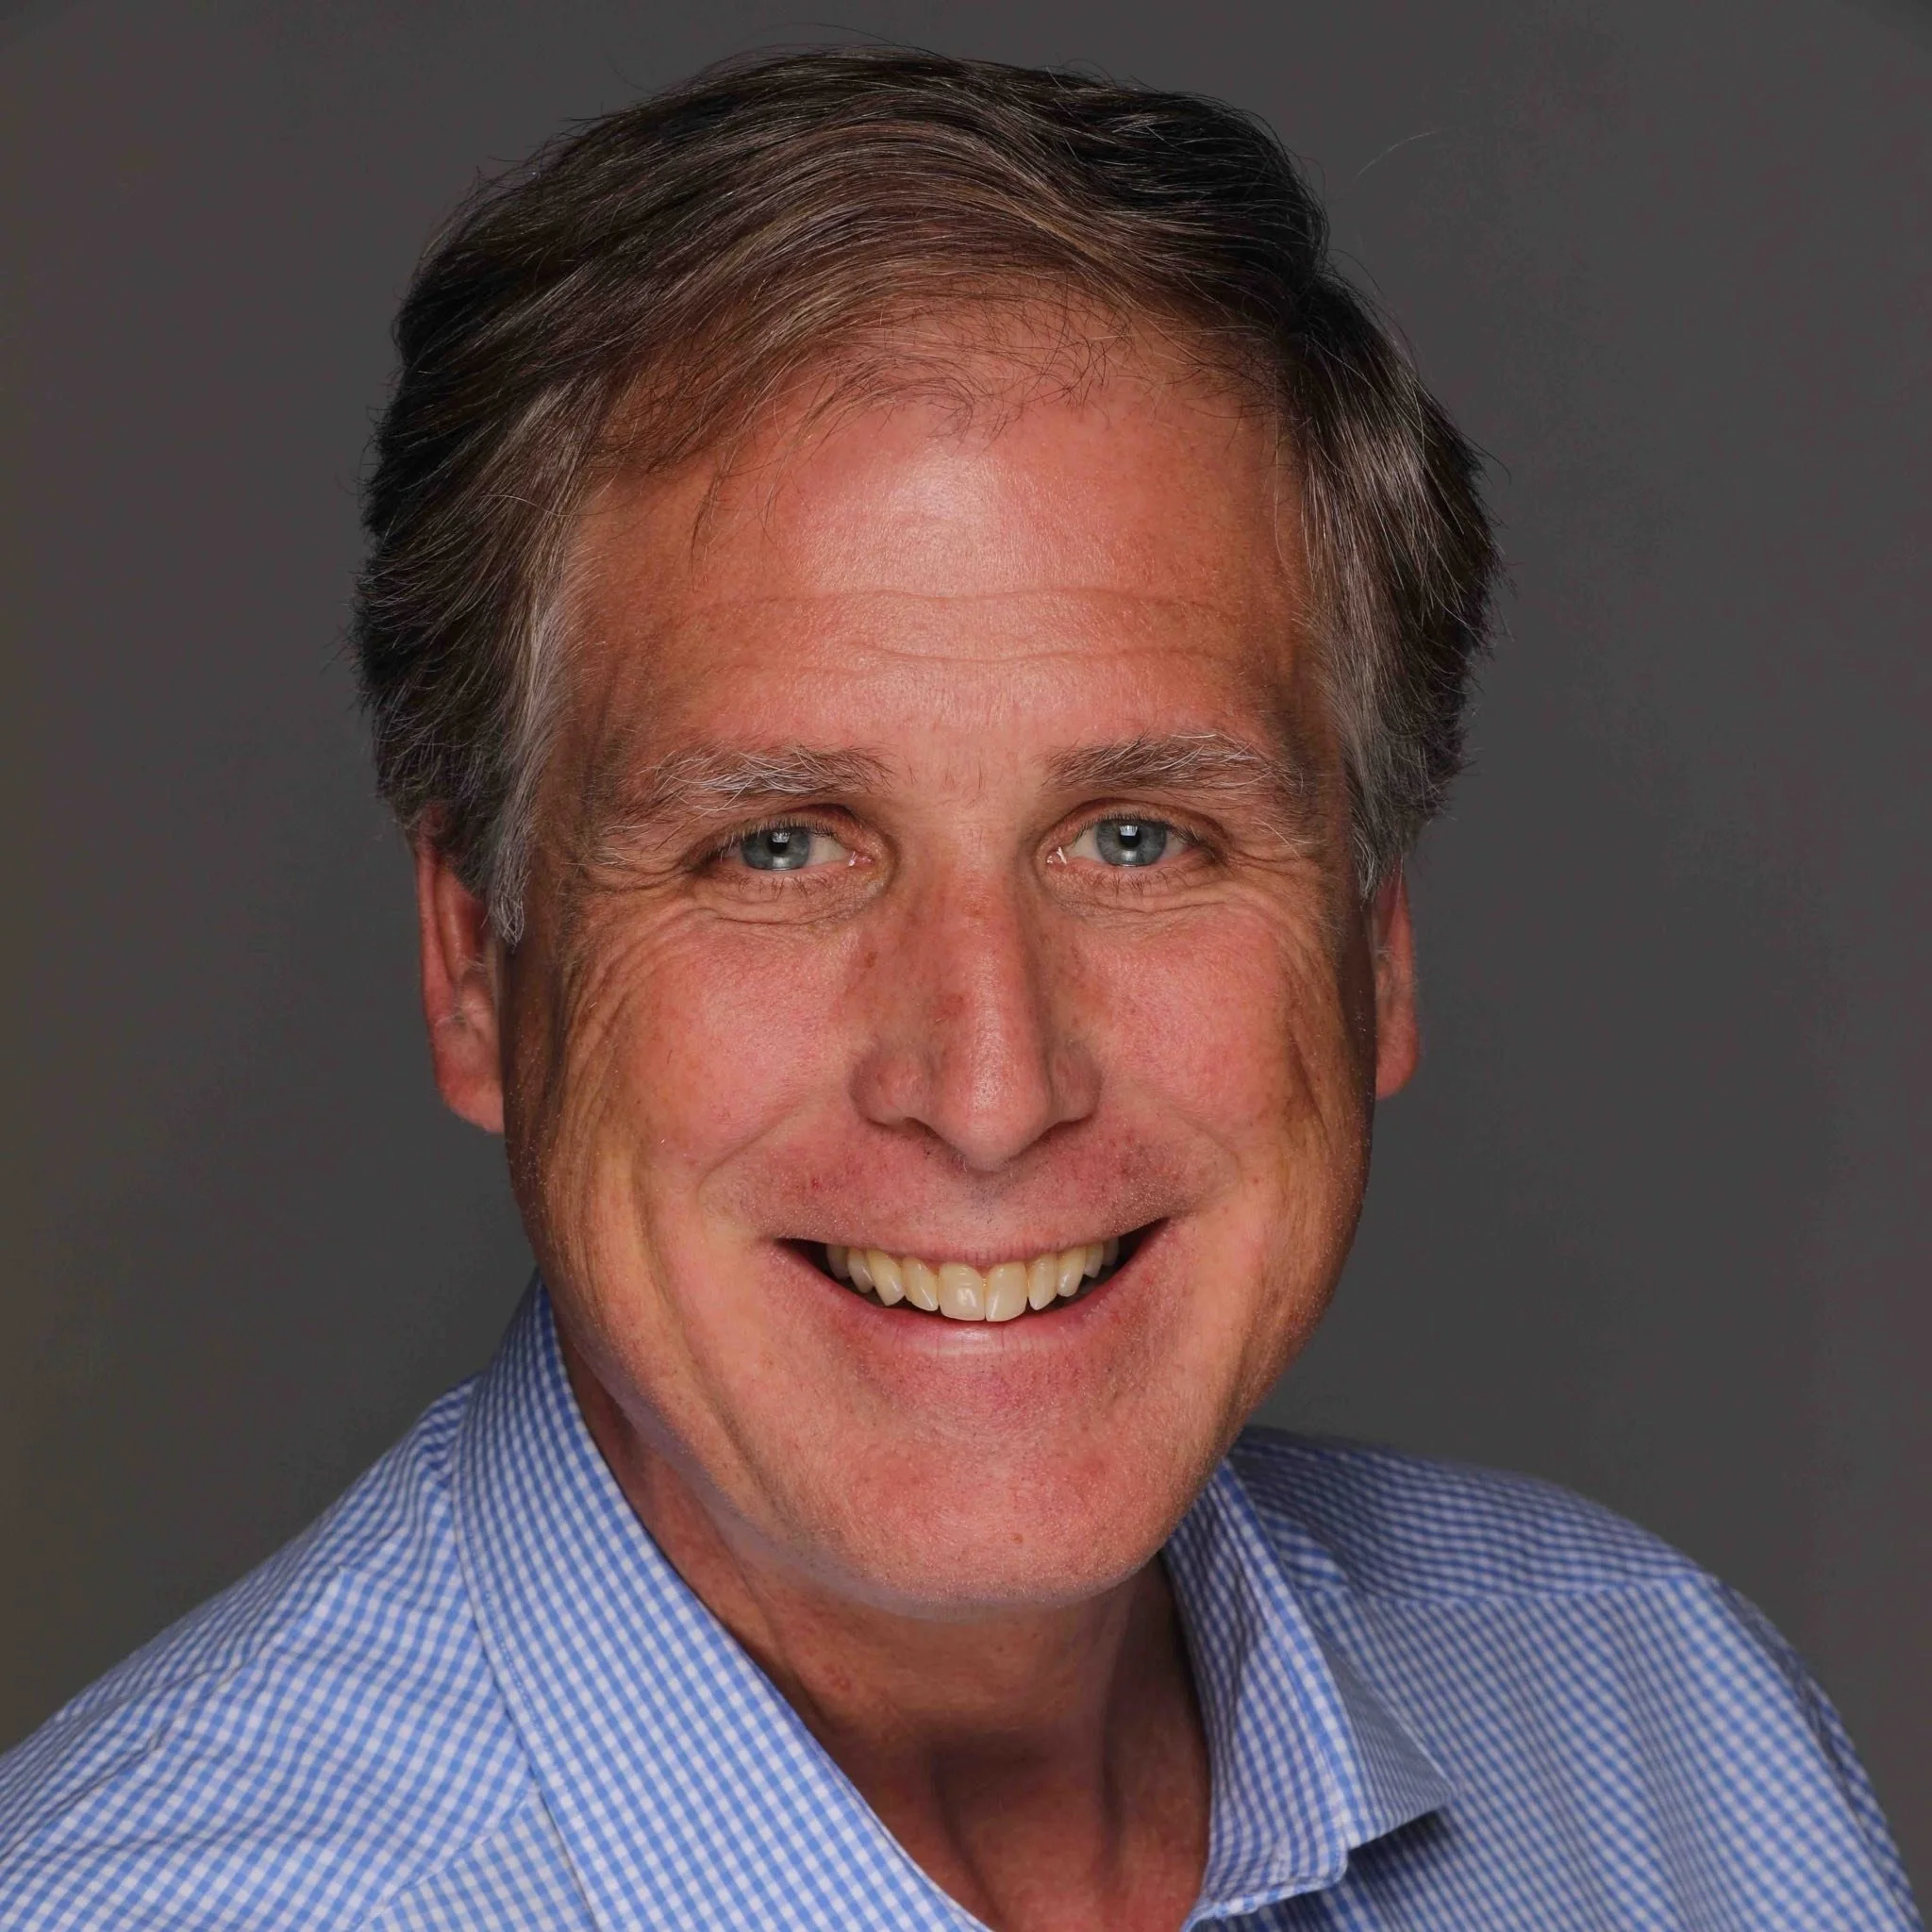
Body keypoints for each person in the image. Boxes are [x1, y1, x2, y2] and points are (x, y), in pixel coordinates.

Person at [0, 46, 1916, 1932]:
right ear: (472, 970)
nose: (991, 1087)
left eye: (1140, 838)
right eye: (777, 847)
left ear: (1373, 946)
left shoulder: (1669, 1741)